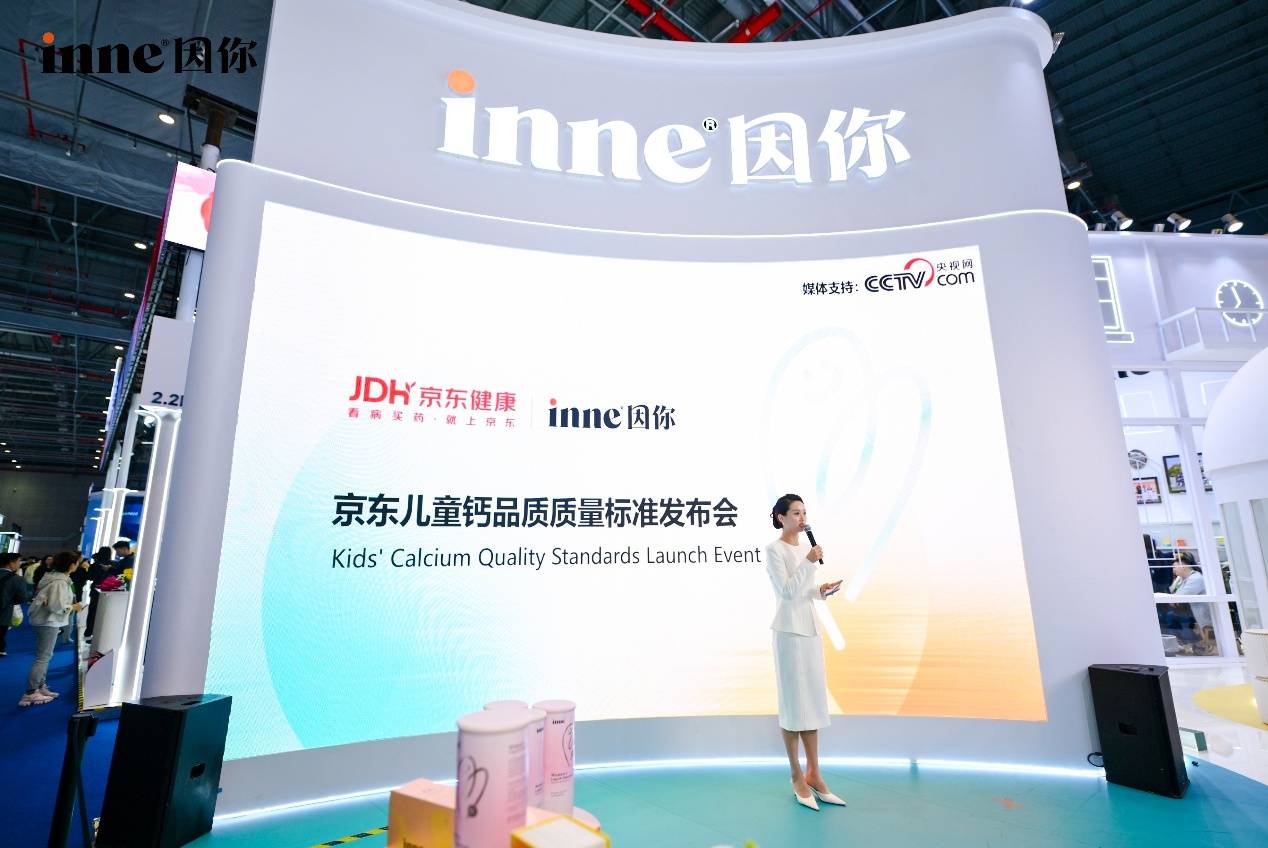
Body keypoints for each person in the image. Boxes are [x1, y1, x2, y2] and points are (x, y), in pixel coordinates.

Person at [765, 493, 844, 812]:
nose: (802, 518)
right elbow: (785, 592)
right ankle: (796, 775)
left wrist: (820, 591)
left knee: (811, 702)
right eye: (796, 513)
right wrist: (809, 562)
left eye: (804, 513)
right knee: (793, 705)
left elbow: (802, 591)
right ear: (781, 517)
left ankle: (815, 774)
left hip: (809, 630)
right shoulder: (774, 550)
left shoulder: (803, 549)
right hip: (788, 633)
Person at [20, 551, 82, 707]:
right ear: (71, 565)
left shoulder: (54, 577)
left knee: (44, 656)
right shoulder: (59, 582)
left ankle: (39, 686)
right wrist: (73, 607)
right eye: (76, 562)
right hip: (48, 621)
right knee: (43, 657)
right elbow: (56, 606)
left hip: (45, 620)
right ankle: (30, 692)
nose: (77, 565)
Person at [1170, 552, 1212, 649]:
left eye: (1175, 567)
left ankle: (1197, 645)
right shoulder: (1183, 579)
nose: (1173, 570)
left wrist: (1174, 598)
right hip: (1194, 614)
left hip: (1202, 615)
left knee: (1173, 618)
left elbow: (1179, 597)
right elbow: (1172, 592)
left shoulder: (1195, 578)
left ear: (1183, 566)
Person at [0, 552, 31, 657]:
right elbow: (22, 598)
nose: (19, 564)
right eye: (18, 561)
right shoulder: (17, 579)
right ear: (11, 563)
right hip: (4, 611)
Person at [84, 546, 114, 639]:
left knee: (92, 612)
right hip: (108, 591)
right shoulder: (113, 565)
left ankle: (89, 632)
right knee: (105, 613)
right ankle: (101, 634)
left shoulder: (95, 565)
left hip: (95, 591)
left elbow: (89, 577)